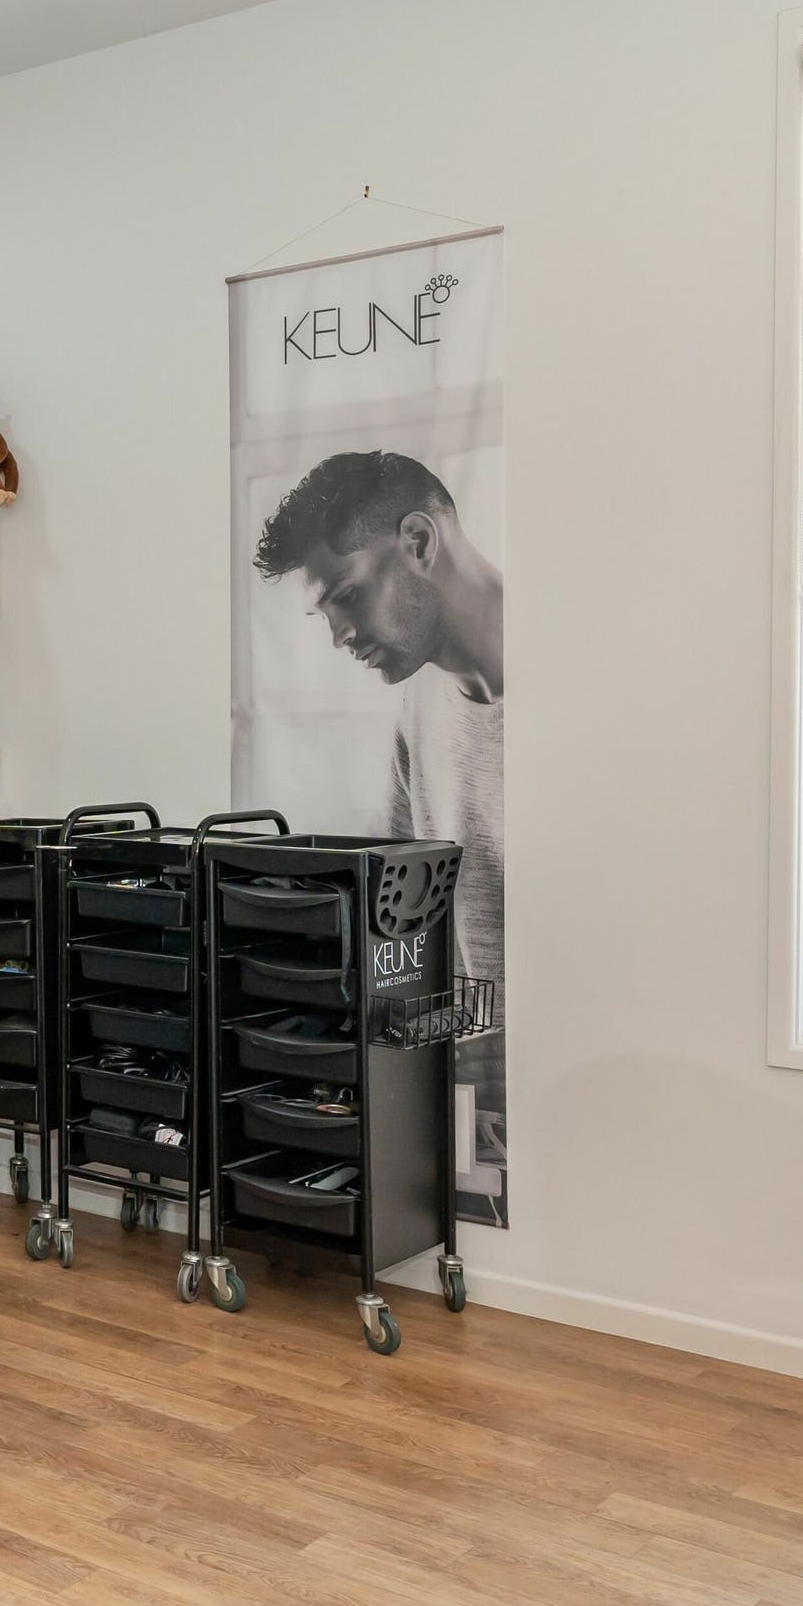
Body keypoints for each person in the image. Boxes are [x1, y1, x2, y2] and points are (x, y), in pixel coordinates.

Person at [255, 449, 506, 1191]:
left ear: (419, 541)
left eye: (349, 595)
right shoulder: (418, 709)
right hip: (481, 1127)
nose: (339, 636)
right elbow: (397, 925)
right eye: (324, 614)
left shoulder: (587, 688)